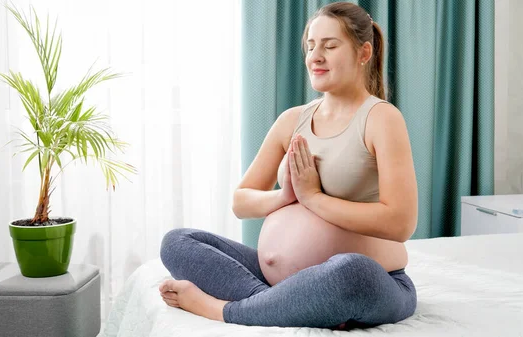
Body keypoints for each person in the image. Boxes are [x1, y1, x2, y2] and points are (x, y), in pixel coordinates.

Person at [158, 1, 418, 330]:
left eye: (330, 45)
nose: (315, 56)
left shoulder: (381, 118)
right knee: (178, 242)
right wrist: (285, 197)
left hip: (370, 280)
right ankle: (282, 303)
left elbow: (401, 223)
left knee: (350, 273)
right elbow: (241, 201)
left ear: (364, 53)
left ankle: (220, 309)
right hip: (274, 278)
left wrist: (314, 198)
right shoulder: (292, 120)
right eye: (311, 46)